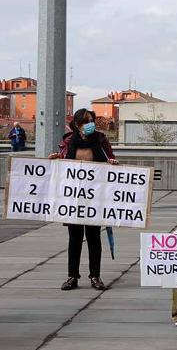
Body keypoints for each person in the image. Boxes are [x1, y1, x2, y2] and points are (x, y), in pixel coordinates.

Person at [49, 109, 118, 291]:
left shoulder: (101, 140)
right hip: (74, 199)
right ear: (78, 124)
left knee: (94, 238)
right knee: (75, 238)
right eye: (87, 121)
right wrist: (57, 158)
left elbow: (110, 159)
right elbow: (63, 162)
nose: (90, 124)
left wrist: (112, 162)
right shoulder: (69, 141)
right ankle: (72, 276)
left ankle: (95, 276)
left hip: (95, 198)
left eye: (92, 120)